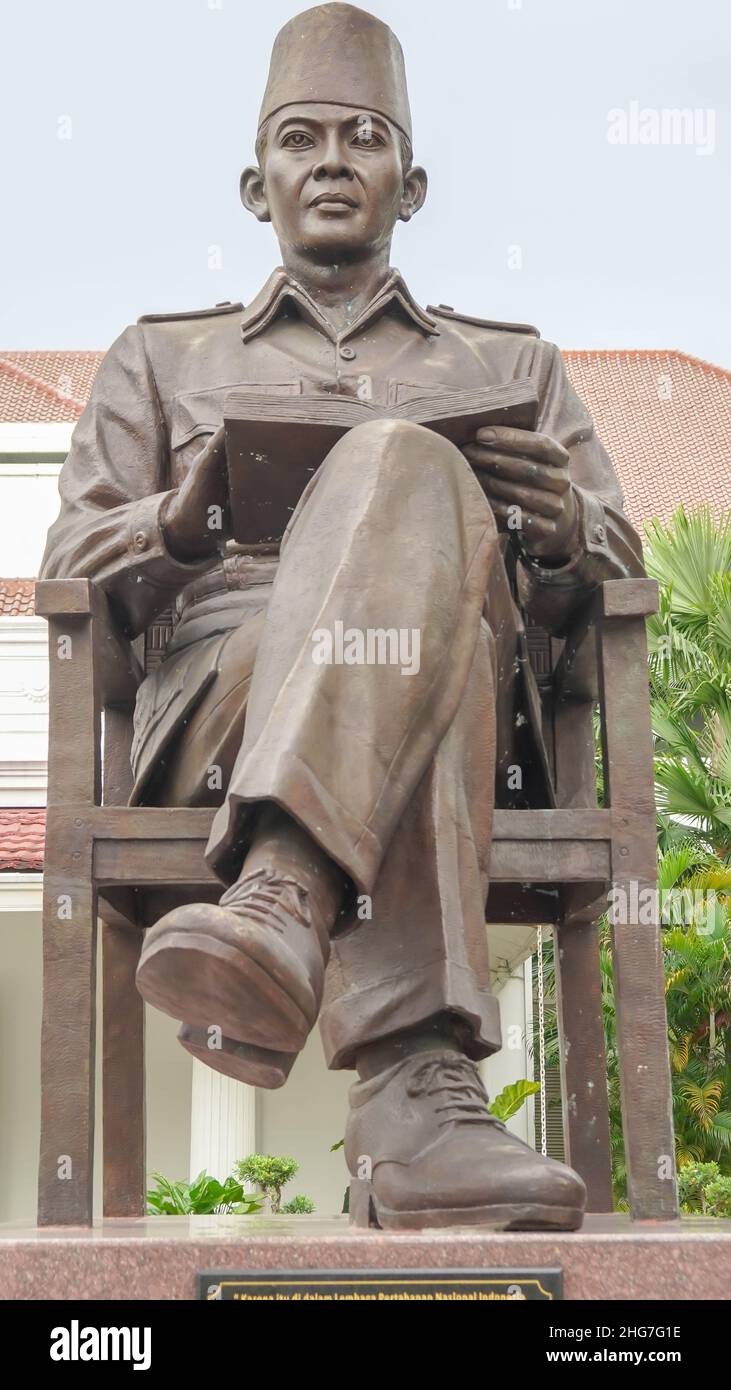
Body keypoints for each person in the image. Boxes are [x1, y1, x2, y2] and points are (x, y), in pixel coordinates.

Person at [41, 3, 643, 1230]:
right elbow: (69, 563)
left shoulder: (512, 367)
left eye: (362, 137)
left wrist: (562, 530)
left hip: (465, 713)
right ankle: (415, 1099)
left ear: (408, 183)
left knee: (411, 518)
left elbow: (619, 566)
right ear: (253, 180)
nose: (329, 160)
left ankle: (281, 899)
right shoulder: (159, 359)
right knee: (413, 562)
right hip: (223, 696)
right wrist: (173, 517)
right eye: (299, 139)